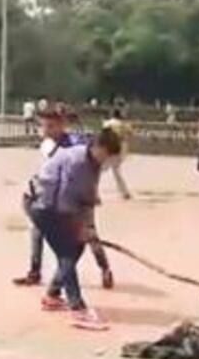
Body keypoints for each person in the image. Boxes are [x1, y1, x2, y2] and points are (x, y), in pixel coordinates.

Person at [27, 128, 123, 322]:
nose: (107, 161)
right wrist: (78, 227)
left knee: (77, 248)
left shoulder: (94, 164)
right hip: (43, 206)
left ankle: (53, 295)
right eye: (106, 155)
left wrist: (88, 228)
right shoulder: (77, 161)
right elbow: (64, 198)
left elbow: (87, 199)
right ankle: (77, 306)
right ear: (98, 147)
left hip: (60, 208)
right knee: (66, 253)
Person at [14, 111, 114, 289]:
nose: (45, 130)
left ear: (61, 126)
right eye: (43, 126)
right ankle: (36, 273)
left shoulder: (74, 144)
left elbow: (91, 168)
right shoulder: (47, 145)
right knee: (37, 232)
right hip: (54, 197)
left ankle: (104, 269)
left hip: (79, 196)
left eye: (50, 126)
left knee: (89, 234)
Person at [102, 108, 133, 200]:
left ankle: (91, 191)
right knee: (116, 171)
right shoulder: (125, 124)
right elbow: (130, 135)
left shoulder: (107, 123)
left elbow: (104, 135)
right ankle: (125, 192)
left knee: (98, 169)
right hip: (122, 148)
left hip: (111, 148)